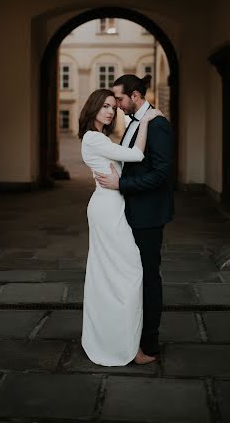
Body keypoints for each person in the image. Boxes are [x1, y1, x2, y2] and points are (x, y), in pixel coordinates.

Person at [79, 88, 164, 366]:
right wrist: (146, 121)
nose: (110, 111)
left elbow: (123, 162)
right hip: (106, 209)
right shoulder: (93, 138)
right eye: (104, 106)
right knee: (127, 273)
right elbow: (137, 155)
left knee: (116, 275)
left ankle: (120, 340)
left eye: (113, 107)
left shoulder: (99, 138)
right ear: (93, 108)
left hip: (112, 207)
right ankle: (122, 346)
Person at [94, 75, 174, 357]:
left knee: (149, 277)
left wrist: (122, 184)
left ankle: (149, 345)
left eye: (119, 98)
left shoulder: (158, 124)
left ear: (136, 96)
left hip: (149, 215)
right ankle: (132, 335)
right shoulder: (135, 123)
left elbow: (162, 175)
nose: (116, 104)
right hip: (132, 212)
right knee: (133, 277)